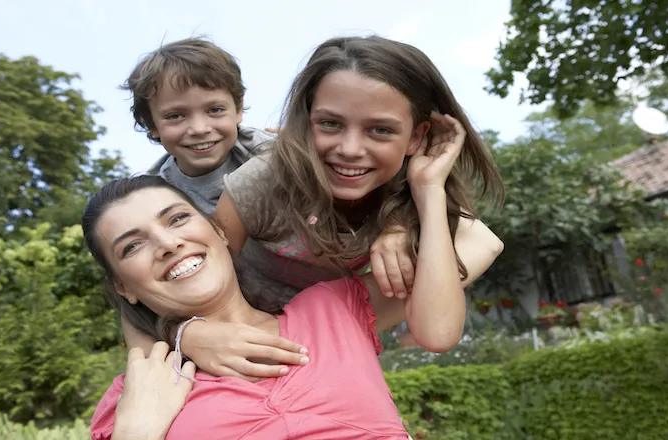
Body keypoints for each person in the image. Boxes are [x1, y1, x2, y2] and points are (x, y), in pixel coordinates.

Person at [121, 35, 505, 379]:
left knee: (477, 243)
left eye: (381, 129)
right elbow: (139, 290)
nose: (351, 149)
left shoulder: (396, 186)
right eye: (330, 124)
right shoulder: (240, 183)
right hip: (244, 321)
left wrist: (414, 208)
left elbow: (473, 263)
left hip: (323, 324)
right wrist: (188, 334)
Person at [83, 160, 468, 438]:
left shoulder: (331, 309)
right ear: (123, 288)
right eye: (133, 246)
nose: (168, 244)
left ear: (219, 230)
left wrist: (410, 211)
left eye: (178, 219)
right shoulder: (137, 393)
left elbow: (478, 241)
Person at [122, 37, 275, 217]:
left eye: (215, 110)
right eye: (175, 116)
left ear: (238, 108)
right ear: (151, 124)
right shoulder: (154, 195)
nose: (199, 129)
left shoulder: (270, 150)